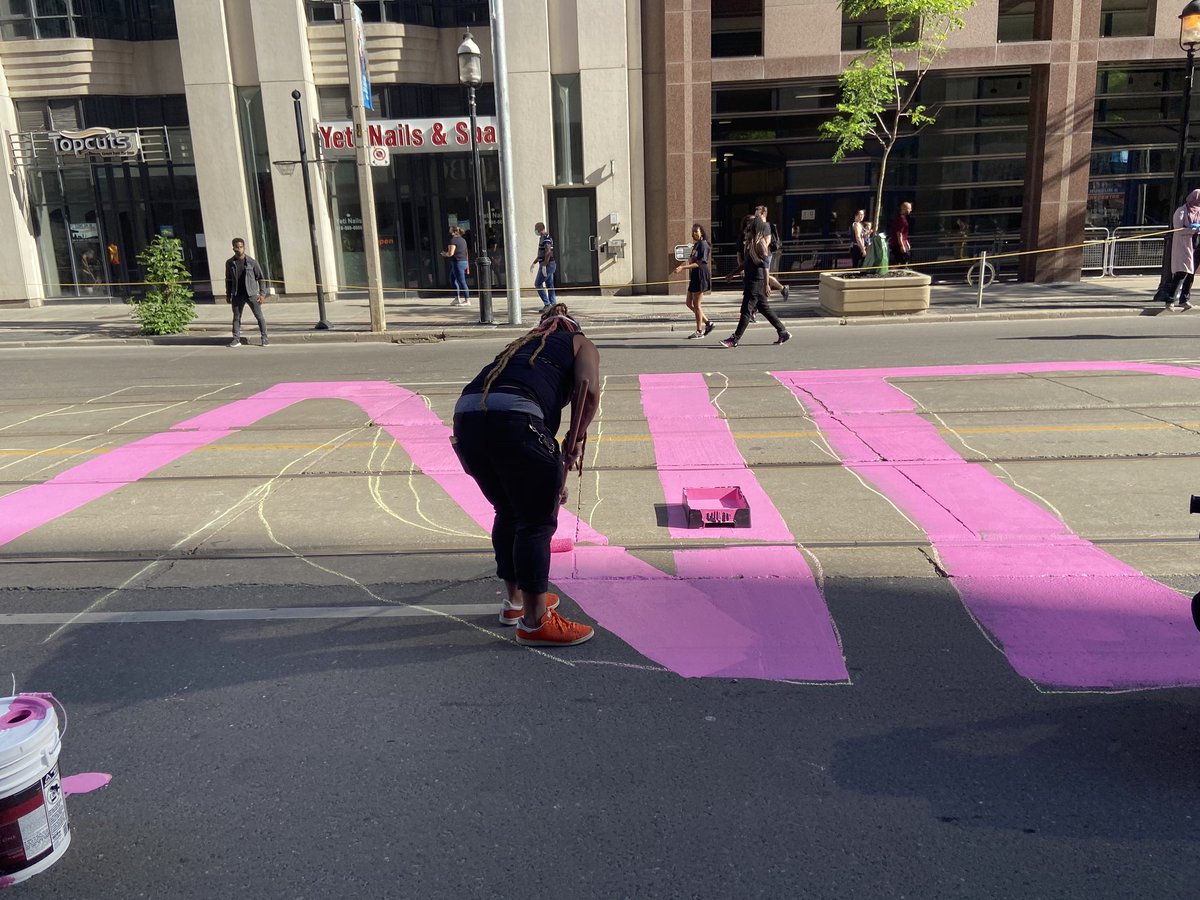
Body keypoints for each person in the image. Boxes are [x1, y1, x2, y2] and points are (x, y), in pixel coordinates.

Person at [451, 303, 600, 646]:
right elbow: (589, 390)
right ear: (573, 327)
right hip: (516, 420)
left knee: (508, 510)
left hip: (467, 420)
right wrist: (575, 440)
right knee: (535, 521)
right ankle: (535, 622)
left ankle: (515, 601)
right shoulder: (580, 343)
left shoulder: (522, 347)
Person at [721, 217, 790, 348]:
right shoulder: (751, 243)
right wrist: (732, 273)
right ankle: (783, 332)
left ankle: (735, 339)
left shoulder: (760, 243)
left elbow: (765, 264)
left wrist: (766, 284)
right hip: (752, 280)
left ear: (754, 229)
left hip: (756, 281)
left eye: (749, 228)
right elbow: (746, 263)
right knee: (764, 309)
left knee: (746, 310)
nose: (746, 231)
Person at [672, 223, 715, 339]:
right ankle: (708, 322)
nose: (694, 233)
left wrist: (683, 267)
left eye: (696, 231)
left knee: (697, 305)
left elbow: (699, 263)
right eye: (693, 232)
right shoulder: (696, 245)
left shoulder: (704, 245)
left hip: (701, 274)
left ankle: (699, 331)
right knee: (689, 303)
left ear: (701, 232)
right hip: (695, 276)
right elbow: (692, 259)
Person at [225, 237, 268, 348]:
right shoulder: (230, 263)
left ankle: (264, 338)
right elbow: (228, 280)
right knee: (236, 318)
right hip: (237, 294)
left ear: (244, 247)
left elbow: (261, 279)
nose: (239, 249)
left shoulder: (252, 262)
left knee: (259, 316)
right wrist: (228, 294)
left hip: (251, 294)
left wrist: (262, 294)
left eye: (241, 247)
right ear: (233, 248)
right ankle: (236, 339)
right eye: (237, 247)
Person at [1165, 189, 1200, 311]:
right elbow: (1178, 229)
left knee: (1191, 274)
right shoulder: (1181, 211)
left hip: (1196, 244)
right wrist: (1192, 229)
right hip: (1184, 244)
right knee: (1181, 273)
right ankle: (1170, 300)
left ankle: (1184, 299)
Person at [441, 226, 470, 307]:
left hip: (457, 262)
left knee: (462, 281)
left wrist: (445, 254)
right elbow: (466, 253)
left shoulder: (453, 240)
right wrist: (467, 266)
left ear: (454, 232)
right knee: (452, 279)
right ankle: (457, 298)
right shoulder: (463, 240)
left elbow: (451, 253)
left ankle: (467, 300)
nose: (449, 233)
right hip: (463, 261)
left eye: (450, 231)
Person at [531, 222, 556, 307]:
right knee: (550, 285)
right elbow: (541, 254)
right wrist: (534, 263)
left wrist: (544, 265)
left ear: (539, 228)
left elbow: (548, 252)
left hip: (548, 265)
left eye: (536, 228)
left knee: (538, 284)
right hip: (548, 264)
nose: (535, 230)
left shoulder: (546, 238)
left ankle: (547, 304)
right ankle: (553, 304)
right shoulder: (542, 237)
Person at [889, 201, 913, 265]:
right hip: (897, 244)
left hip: (902, 242)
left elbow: (904, 233)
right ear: (904, 209)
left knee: (906, 258)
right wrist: (902, 245)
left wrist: (906, 242)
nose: (910, 210)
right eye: (909, 208)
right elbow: (899, 233)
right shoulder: (900, 219)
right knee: (902, 261)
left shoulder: (903, 218)